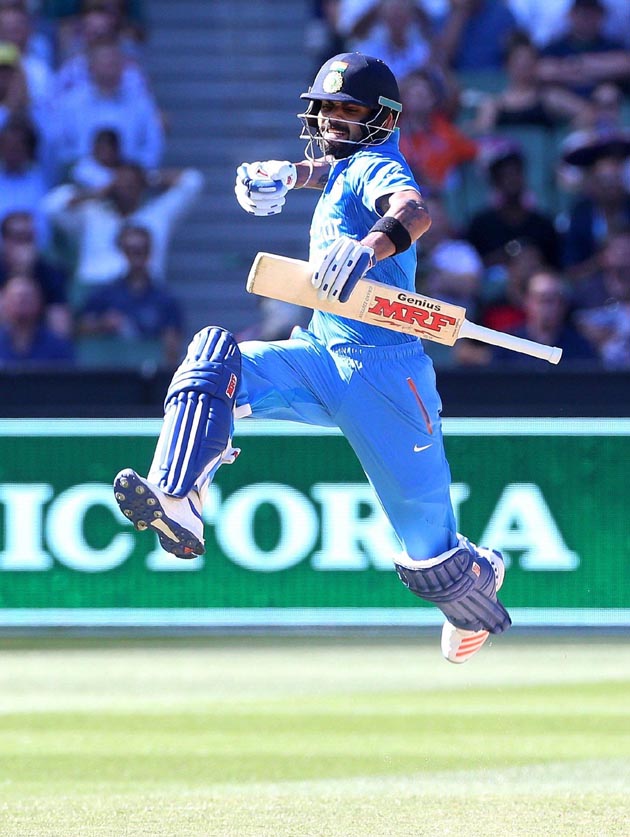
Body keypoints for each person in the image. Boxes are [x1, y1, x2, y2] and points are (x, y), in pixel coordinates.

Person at [111, 53, 511, 664]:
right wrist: (290, 174)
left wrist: (368, 246)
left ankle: (479, 572)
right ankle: (179, 498)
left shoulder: (381, 163)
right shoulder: (350, 164)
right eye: (325, 109)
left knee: (435, 568)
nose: (332, 121)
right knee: (214, 358)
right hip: (320, 352)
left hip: (387, 377)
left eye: (349, 111)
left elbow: (413, 211)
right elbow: (333, 173)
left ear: (381, 118)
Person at [42, 160, 204, 287]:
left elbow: (193, 181)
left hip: (145, 293)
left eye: (132, 184)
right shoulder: (92, 214)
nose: (126, 189)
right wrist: (98, 191)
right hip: (96, 289)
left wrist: (149, 178)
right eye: (121, 184)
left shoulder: (156, 215)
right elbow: (52, 206)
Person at [77, 223, 184, 367]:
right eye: (131, 250)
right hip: (111, 370)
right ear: (123, 252)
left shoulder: (165, 300)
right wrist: (102, 324)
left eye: (141, 250)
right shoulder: (104, 294)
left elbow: (172, 345)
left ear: (149, 252)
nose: (136, 256)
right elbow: (78, 328)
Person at [0, 272, 74, 364]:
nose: (21, 302)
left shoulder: (57, 346)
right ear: (4, 302)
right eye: (15, 297)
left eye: (26, 298)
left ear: (39, 302)